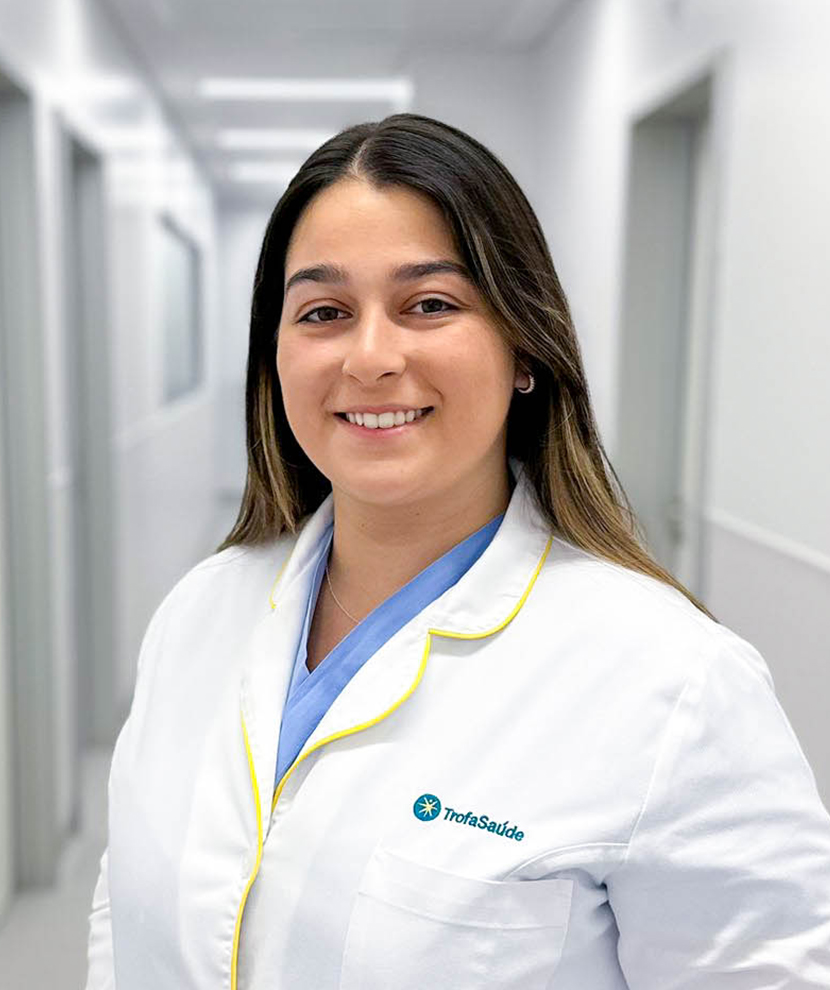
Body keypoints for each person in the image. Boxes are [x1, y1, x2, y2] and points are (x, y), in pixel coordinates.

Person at [85, 113, 830, 989]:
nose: (370, 357)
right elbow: (121, 912)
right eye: (324, 312)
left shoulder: (675, 684)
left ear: (524, 347)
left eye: (430, 305)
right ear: (274, 357)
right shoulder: (199, 611)